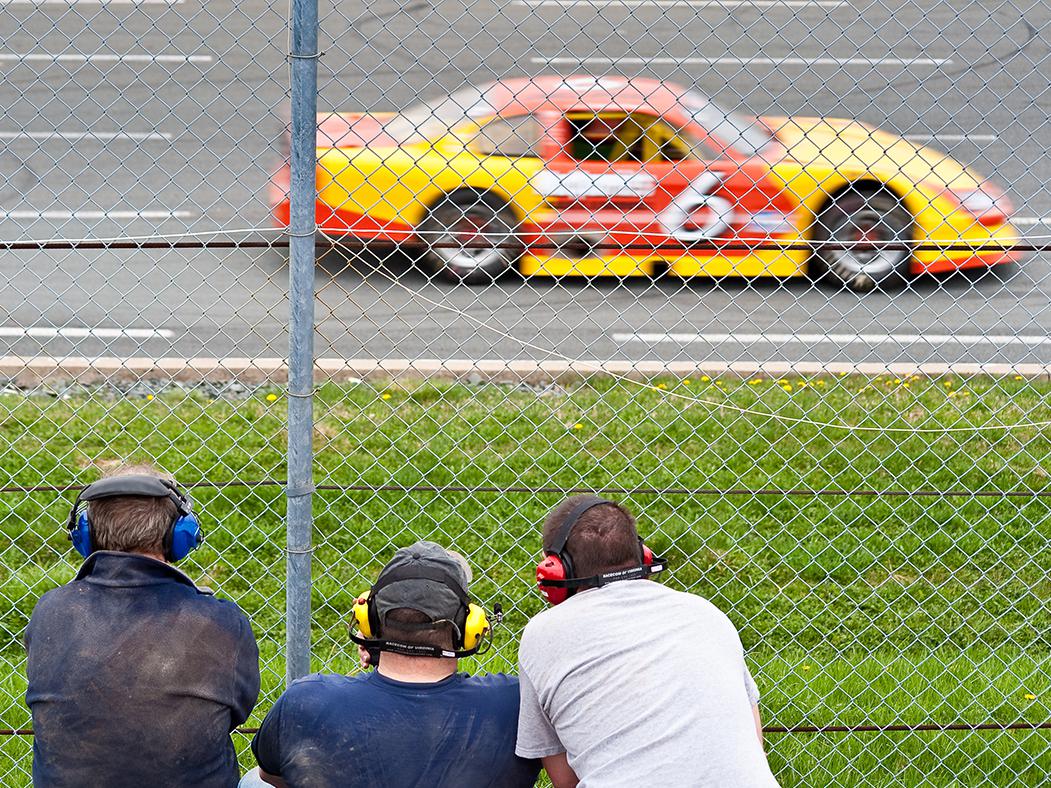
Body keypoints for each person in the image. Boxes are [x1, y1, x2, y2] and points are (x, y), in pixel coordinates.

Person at [518, 495, 779, 788]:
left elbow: (565, 780)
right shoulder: (705, 613)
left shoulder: (541, 634)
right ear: (643, 555)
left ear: (555, 569)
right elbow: (754, 746)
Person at [25, 465, 260, 788]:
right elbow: (237, 713)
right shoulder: (221, 621)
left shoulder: (49, 611)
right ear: (179, 535)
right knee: (259, 781)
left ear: (85, 535)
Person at [246, 540, 540, 788]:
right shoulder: (515, 703)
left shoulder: (305, 700)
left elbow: (271, 776)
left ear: (370, 621)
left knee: (252, 782)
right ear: (468, 627)